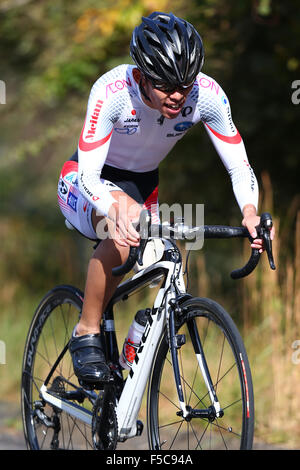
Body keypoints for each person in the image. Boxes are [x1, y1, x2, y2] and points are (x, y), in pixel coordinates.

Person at [57, 11, 273, 386]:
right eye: (167, 85)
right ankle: (86, 330)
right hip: (86, 180)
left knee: (162, 256)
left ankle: (138, 341)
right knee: (121, 239)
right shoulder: (111, 92)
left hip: (143, 187)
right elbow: (90, 174)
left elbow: (240, 166)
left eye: (185, 85)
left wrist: (250, 213)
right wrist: (114, 205)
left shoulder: (206, 95)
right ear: (140, 75)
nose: (178, 95)